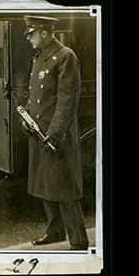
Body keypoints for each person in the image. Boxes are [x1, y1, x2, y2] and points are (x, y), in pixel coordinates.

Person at [21, 15, 89, 250]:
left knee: (65, 190)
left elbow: (67, 101)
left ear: (45, 32)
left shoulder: (65, 56)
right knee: (45, 186)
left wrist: (55, 134)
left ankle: (79, 240)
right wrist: (27, 118)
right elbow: (35, 97)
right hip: (39, 133)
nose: (29, 38)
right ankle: (55, 230)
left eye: (31, 33)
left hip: (55, 137)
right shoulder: (40, 56)